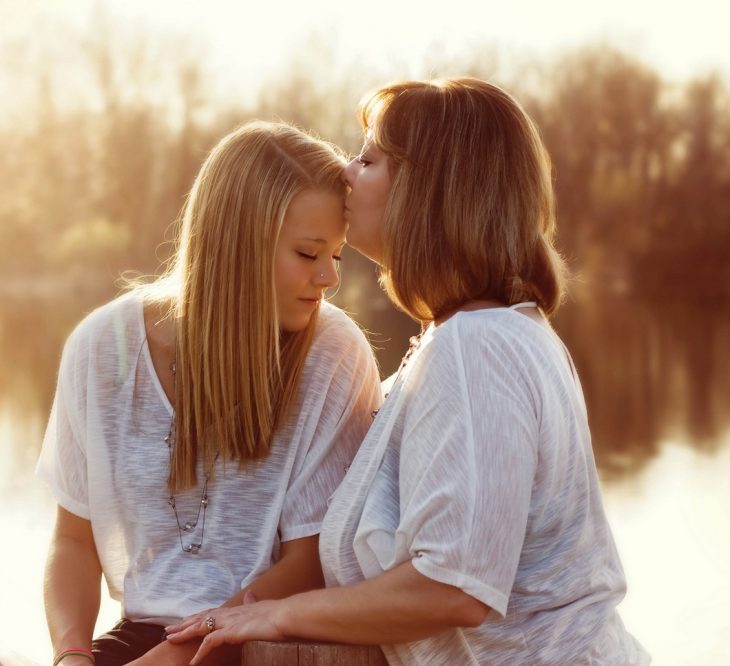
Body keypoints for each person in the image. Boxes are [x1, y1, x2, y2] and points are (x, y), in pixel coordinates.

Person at [166, 79, 650, 665]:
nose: (345, 171)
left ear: (429, 192)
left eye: (369, 159)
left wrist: (265, 617)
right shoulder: (474, 337)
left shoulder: (480, 347)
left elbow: (452, 586)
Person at [37, 121, 382, 666]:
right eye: (308, 253)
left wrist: (184, 653)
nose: (329, 279)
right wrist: (72, 655)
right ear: (237, 245)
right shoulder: (101, 347)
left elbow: (313, 562)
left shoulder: (335, 354)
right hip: (143, 637)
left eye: (335, 256)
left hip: (270, 640)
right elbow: (73, 542)